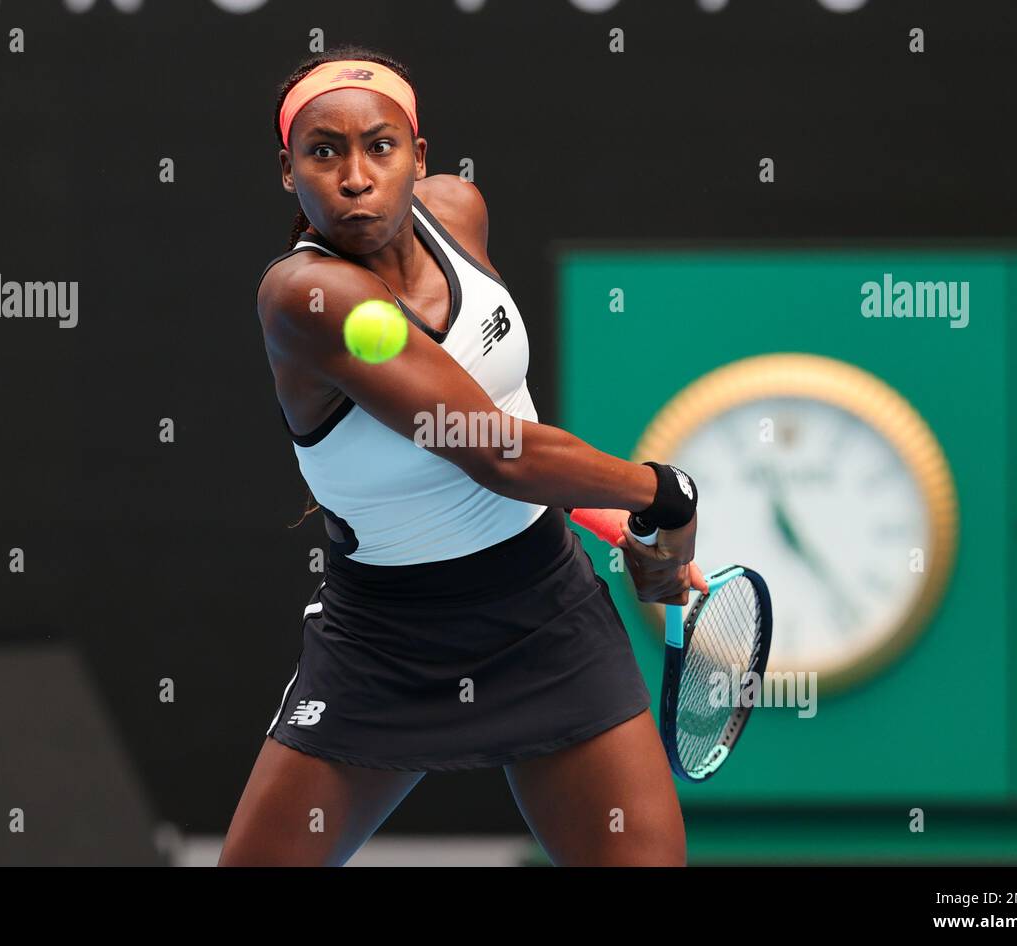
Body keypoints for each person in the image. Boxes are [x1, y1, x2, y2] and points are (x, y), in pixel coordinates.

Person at [219, 45, 705, 867]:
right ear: (287, 171)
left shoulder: (461, 213)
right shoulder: (307, 298)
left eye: (381, 145)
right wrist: (665, 493)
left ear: (420, 156)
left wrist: (605, 516)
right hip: (384, 644)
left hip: (546, 613)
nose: (355, 176)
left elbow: (503, 402)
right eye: (323, 151)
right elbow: (493, 451)